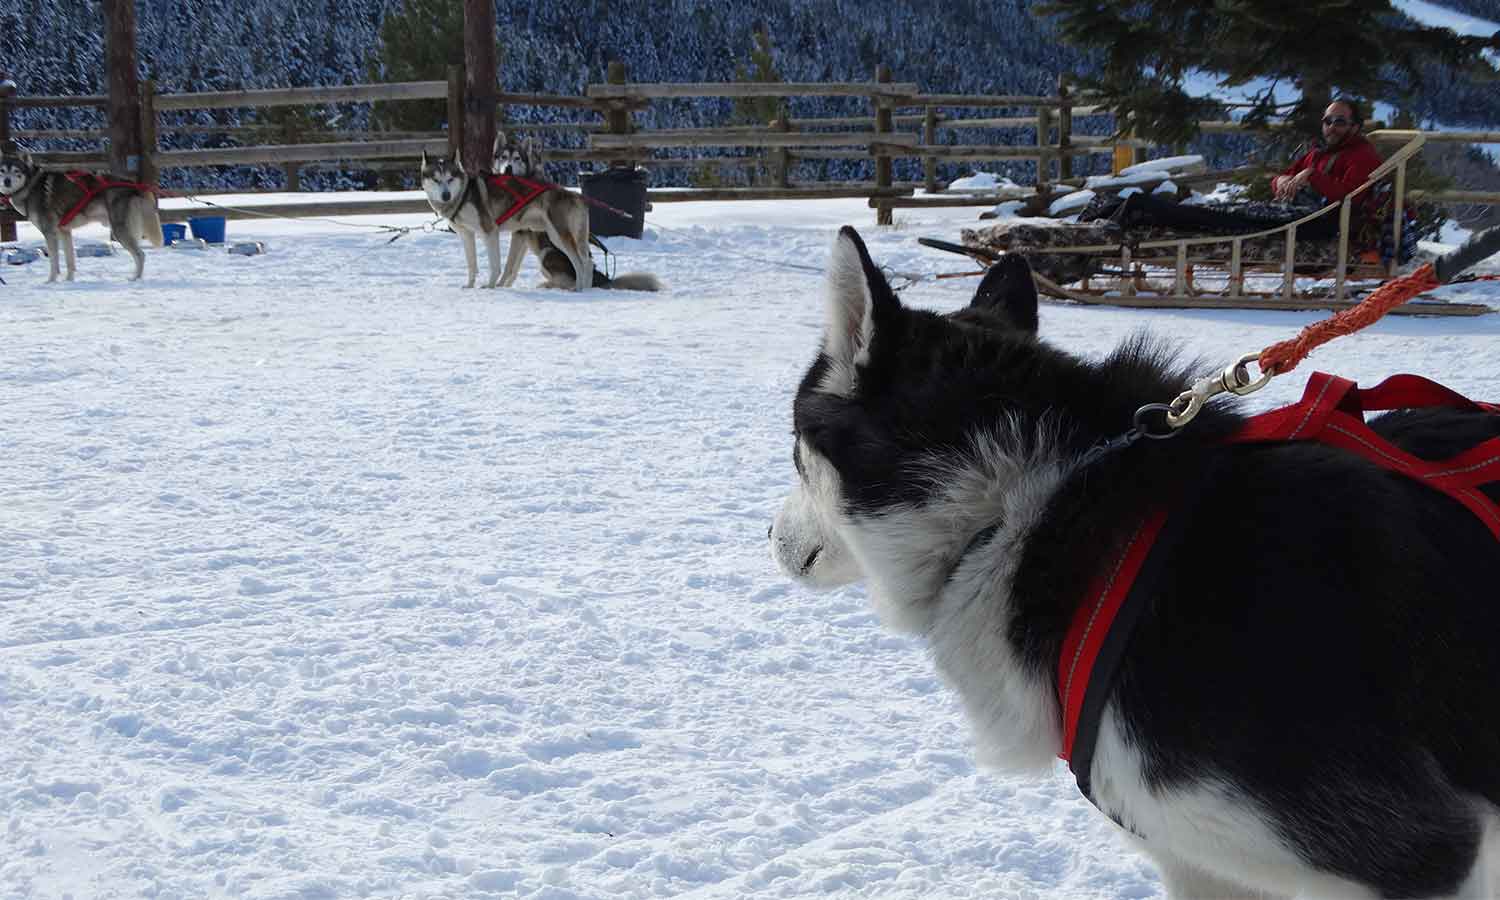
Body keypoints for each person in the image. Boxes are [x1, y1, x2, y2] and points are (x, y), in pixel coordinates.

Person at [1271, 98, 1384, 204]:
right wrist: (1280, 181)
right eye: (1327, 121)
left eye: (1340, 122)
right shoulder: (1319, 152)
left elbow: (1352, 197)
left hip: (1338, 222)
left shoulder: (1362, 154)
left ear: (1355, 127)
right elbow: (1284, 176)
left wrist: (1312, 176)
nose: (1331, 127)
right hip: (1304, 218)